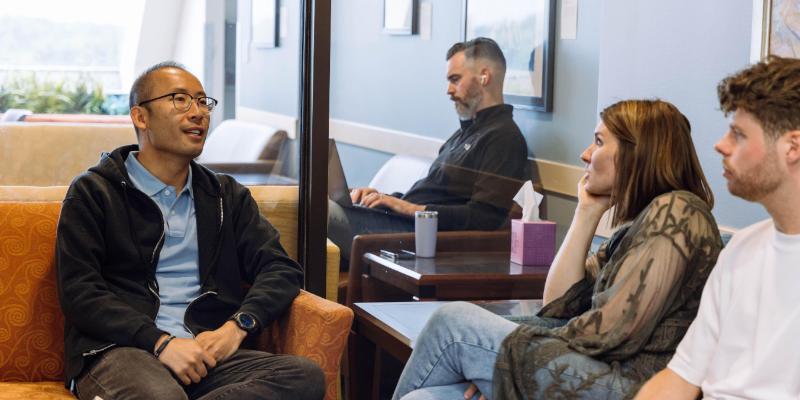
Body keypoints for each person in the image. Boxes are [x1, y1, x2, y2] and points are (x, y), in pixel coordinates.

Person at [392, 99, 723, 400]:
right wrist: (586, 213)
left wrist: (514, 357)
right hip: (599, 371)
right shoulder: (636, 227)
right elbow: (558, 304)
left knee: (453, 323)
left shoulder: (678, 211)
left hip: (635, 387)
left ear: (638, 152)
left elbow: (610, 332)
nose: (585, 154)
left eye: (598, 142)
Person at [56, 61, 325, 400]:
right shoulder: (95, 192)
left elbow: (280, 269)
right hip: (123, 350)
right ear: (141, 117)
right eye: (180, 100)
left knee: (304, 377)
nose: (198, 113)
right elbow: (80, 292)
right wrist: (160, 342)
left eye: (202, 101)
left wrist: (237, 327)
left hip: (205, 355)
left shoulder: (226, 196)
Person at [635, 57, 800, 400]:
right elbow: (680, 379)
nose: (721, 145)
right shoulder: (741, 249)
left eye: (738, 134)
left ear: (792, 148)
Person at [327, 37, 528, 266]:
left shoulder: (504, 138)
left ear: (484, 76)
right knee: (306, 204)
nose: (448, 90)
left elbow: (483, 218)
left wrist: (408, 208)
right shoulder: (464, 134)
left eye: (455, 79)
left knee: (317, 212)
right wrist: (385, 199)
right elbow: (433, 194)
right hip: (399, 224)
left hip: (418, 239)